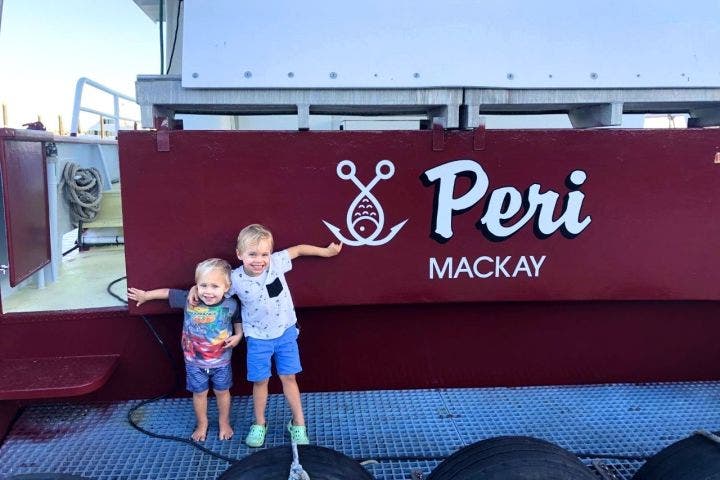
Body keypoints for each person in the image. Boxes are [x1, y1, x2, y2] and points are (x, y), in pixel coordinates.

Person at [189, 224, 342, 447]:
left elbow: (299, 250)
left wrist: (326, 252)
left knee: (289, 377)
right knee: (260, 381)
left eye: (264, 254)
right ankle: (260, 423)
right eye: (252, 254)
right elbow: (215, 285)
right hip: (257, 338)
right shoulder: (234, 278)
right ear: (239, 254)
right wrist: (195, 289)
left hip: (285, 333)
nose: (259, 260)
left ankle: (298, 423)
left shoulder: (276, 263)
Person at [127, 258, 243, 442]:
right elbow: (168, 293)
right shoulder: (190, 299)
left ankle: (224, 422)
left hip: (221, 362)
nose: (208, 291)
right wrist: (146, 295)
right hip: (194, 363)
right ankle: (202, 424)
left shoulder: (231, 304)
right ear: (196, 285)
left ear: (227, 287)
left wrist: (238, 335)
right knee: (199, 394)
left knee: (222, 392)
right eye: (203, 285)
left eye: (215, 286)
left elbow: (237, 320)